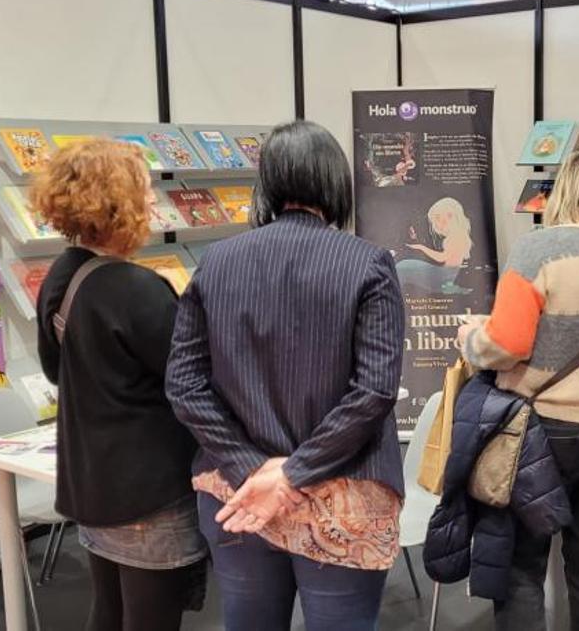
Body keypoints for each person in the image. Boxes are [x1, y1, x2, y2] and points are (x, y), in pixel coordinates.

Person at [166, 120, 406, 631]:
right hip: (343, 495)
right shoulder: (368, 265)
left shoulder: (217, 262)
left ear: (268, 183)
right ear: (336, 182)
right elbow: (374, 391)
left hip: (237, 492)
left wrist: (253, 468)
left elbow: (184, 385)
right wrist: (291, 473)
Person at [457, 150, 579, 630]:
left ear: (561, 193)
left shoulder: (538, 250)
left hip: (537, 432)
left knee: (522, 564)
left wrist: (471, 341)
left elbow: (507, 343)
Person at [31, 139, 205, 631]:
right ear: (116, 200)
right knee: (151, 619)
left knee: (107, 610)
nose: (153, 204)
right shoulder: (135, 289)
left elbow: (53, 371)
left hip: (91, 485)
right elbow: (190, 381)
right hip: (147, 492)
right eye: (145, 191)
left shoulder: (60, 277)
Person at [396, 196, 473, 294]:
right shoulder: (459, 236)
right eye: (437, 219)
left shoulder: (455, 237)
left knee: (402, 267)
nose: (439, 224)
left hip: (442, 277)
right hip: (447, 275)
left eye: (446, 217)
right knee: (403, 266)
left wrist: (421, 248)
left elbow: (442, 258)